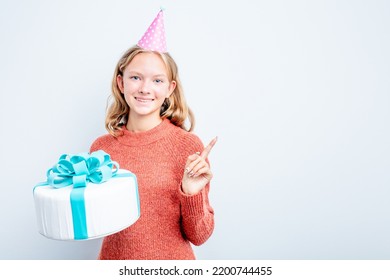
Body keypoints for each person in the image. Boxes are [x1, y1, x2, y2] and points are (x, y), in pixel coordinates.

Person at [90, 10, 216, 260]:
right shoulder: (101, 149)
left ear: (170, 89)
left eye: (157, 81)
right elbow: (95, 222)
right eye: (136, 77)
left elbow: (199, 236)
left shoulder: (187, 146)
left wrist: (191, 192)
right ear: (121, 83)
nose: (145, 89)